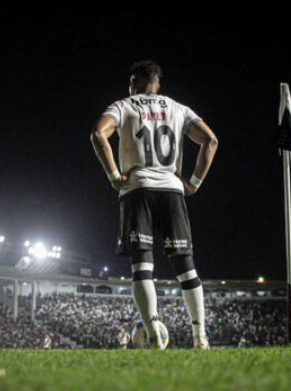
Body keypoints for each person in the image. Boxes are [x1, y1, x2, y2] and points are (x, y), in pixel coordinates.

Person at [91, 60, 218, 349]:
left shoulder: (123, 106)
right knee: (186, 267)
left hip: (138, 190)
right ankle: (200, 338)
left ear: (133, 81)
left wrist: (113, 175)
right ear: (157, 84)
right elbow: (210, 141)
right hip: (172, 190)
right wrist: (194, 183)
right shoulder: (179, 108)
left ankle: (153, 335)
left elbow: (98, 134)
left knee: (142, 268)